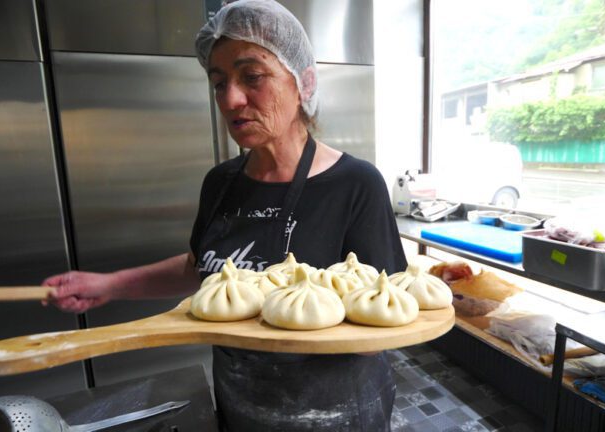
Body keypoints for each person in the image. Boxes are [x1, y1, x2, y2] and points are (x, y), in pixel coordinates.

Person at [43, 0, 407, 430]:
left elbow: (384, 325)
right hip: (242, 403)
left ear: (304, 83)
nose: (231, 99)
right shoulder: (221, 182)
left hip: (337, 412)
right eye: (219, 83)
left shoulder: (355, 184)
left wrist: (303, 310)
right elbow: (206, 271)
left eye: (252, 77)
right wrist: (108, 285)